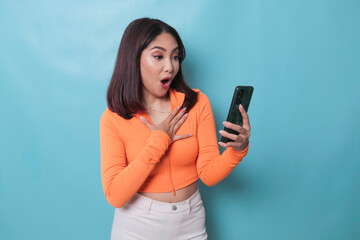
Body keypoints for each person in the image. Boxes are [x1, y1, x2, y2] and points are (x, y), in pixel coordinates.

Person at [99, 17, 251, 240]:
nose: (170, 66)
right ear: (133, 59)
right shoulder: (114, 118)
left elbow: (208, 174)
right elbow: (115, 195)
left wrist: (238, 150)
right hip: (137, 226)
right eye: (158, 56)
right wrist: (160, 139)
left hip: (190, 223)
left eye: (175, 56)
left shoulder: (197, 103)